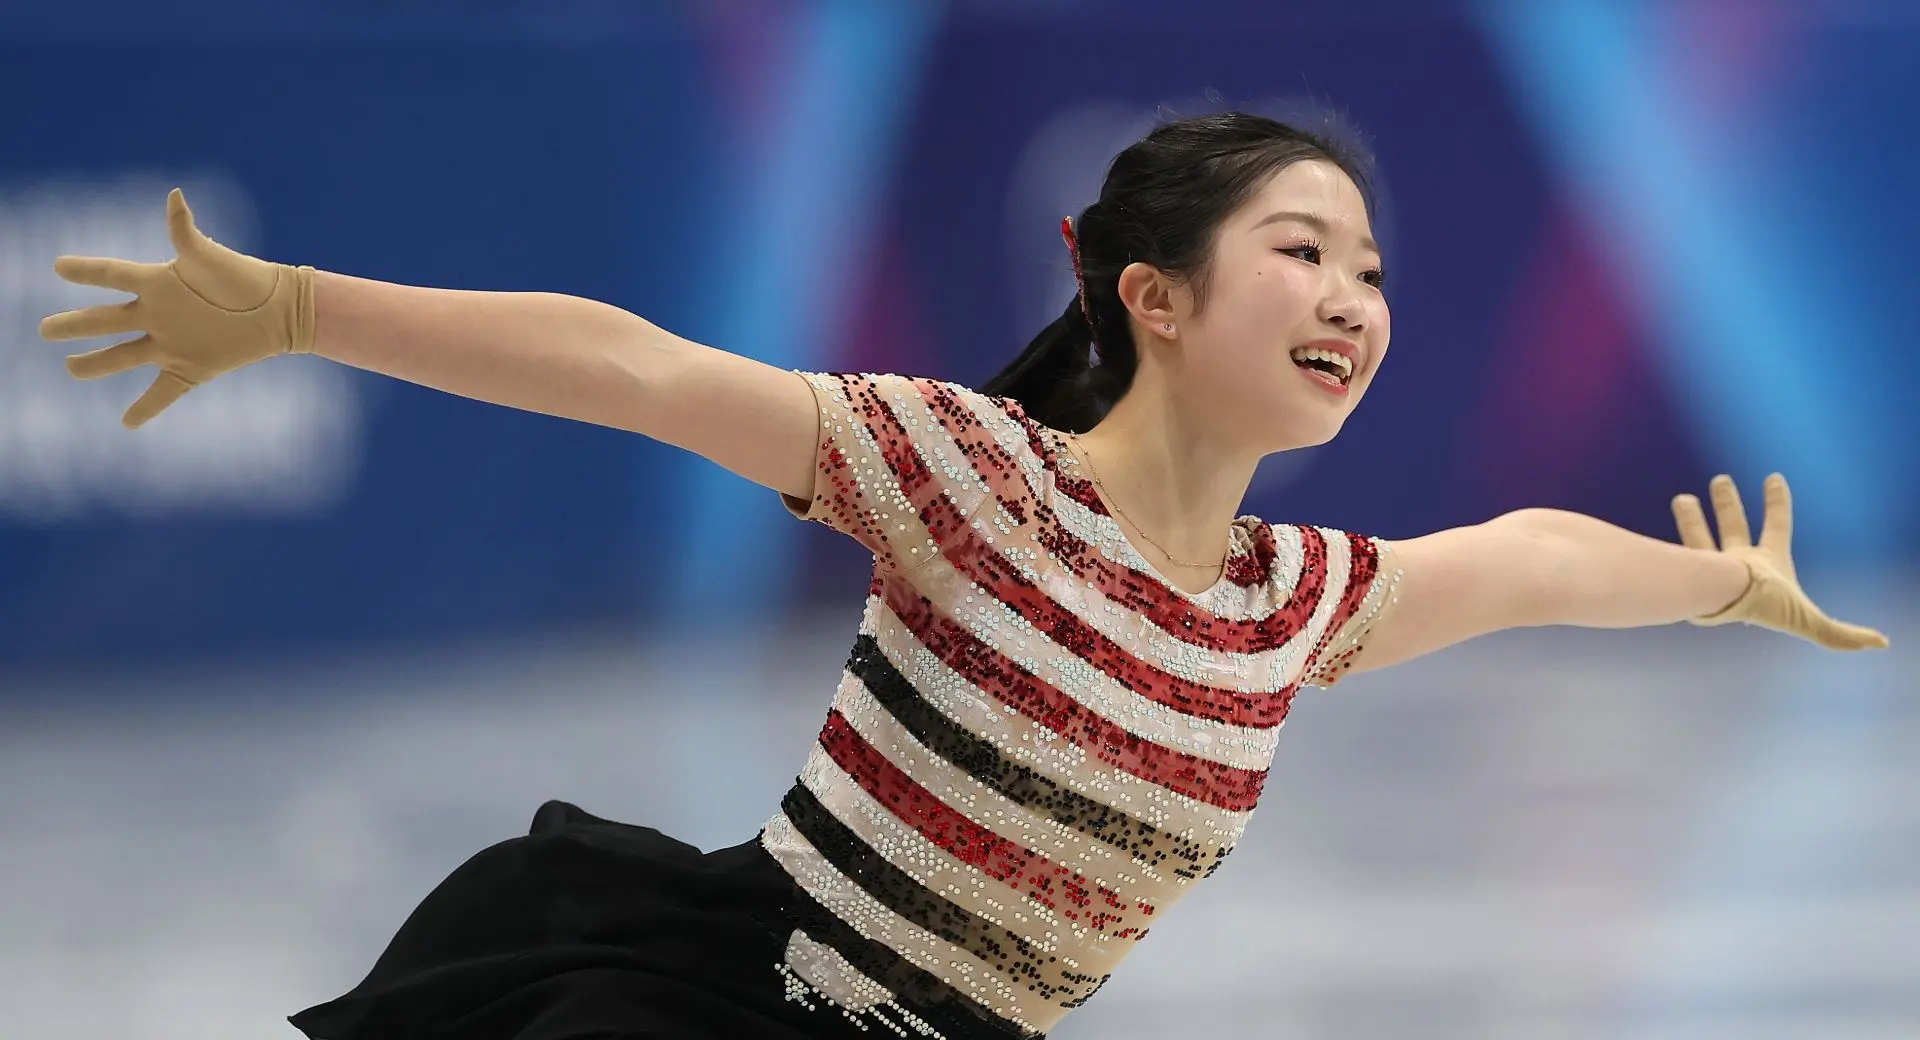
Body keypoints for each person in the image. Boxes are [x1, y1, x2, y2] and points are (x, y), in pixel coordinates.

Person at [40, 112, 1886, 1040]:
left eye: (1376, 271)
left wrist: (1716, 591)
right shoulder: (975, 480)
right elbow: (630, 365)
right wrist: (293, 308)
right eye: (1305, 252)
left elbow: (1522, 562)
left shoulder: (1286, 598)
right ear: (1152, 299)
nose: (1354, 299)